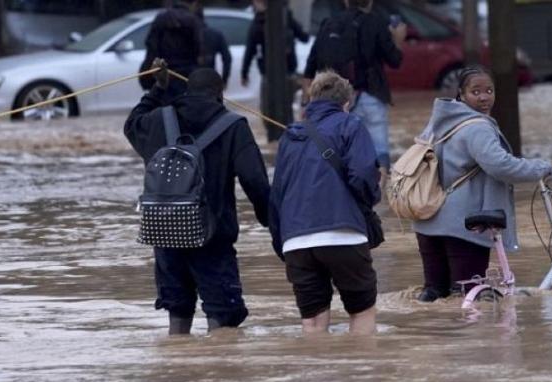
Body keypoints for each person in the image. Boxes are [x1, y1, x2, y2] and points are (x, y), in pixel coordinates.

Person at [124, 62, 271, 334]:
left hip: (166, 234)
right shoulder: (233, 126)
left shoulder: (157, 119)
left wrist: (158, 89)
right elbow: (254, 180)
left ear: (187, 90)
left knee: (178, 312)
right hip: (212, 236)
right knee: (223, 317)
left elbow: (132, 123)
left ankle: (180, 369)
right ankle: (216, 370)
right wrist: (270, 220)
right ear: (220, 95)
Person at [412, 66, 552, 303]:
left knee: (435, 298)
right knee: (469, 297)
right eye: (476, 91)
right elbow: (502, 166)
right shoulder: (478, 126)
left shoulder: (437, 123)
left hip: (428, 221)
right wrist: (543, 167)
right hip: (465, 225)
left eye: (489, 90)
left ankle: (430, 338)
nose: (484, 97)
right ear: (461, 95)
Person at [269, 71, 381, 335]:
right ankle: (364, 374)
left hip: (296, 241)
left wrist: (282, 243)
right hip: (344, 235)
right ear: (346, 103)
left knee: (313, 323)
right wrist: (369, 203)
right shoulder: (351, 125)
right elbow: (363, 176)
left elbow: (276, 194)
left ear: (310, 100)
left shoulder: (290, 136)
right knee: (361, 312)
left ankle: (317, 372)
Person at [303, 0, 406, 175]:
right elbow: (394, 60)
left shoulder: (328, 23)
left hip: (334, 98)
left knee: (339, 147)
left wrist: (306, 102)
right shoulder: (376, 22)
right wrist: (398, 40)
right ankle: (379, 194)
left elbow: (310, 67)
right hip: (370, 94)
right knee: (378, 148)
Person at [241, 0, 309, 139]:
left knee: (283, 109)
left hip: (285, 73)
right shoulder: (259, 22)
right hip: (270, 74)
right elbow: (251, 49)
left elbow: (304, 37)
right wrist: (244, 71)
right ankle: (277, 137)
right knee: (269, 110)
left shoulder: (283, 18)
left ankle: (286, 137)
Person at [138, 0, 203, 99]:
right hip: (186, 75)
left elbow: (152, 47)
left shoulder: (161, 18)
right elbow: (199, 49)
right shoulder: (193, 20)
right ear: (193, 4)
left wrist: (148, 72)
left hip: (164, 73)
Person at [196, 8, 231, 84]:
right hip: (210, 78)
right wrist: (224, 79)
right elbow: (227, 59)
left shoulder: (184, 35)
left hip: (187, 78)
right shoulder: (215, 34)